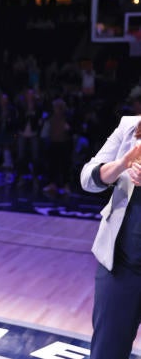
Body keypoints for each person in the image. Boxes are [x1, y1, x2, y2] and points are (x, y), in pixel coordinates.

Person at [80, 112, 141, 359]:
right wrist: (122, 165)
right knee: (107, 353)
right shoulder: (130, 126)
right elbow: (88, 178)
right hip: (120, 263)